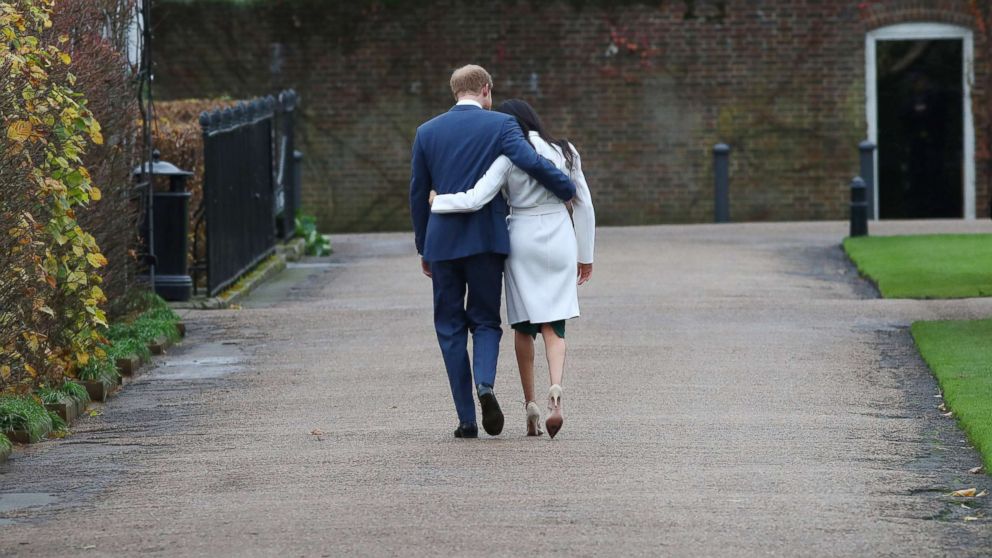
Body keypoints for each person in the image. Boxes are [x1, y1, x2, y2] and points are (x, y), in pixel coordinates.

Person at [409, 66, 576, 439]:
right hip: (485, 240)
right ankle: (485, 383)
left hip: (442, 243)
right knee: (485, 321)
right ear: (485, 90)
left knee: (449, 327)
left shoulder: (426, 132)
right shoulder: (500, 125)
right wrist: (564, 187)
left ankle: (466, 419)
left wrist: (424, 246)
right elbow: (530, 162)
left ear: (455, 92)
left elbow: (418, 193)